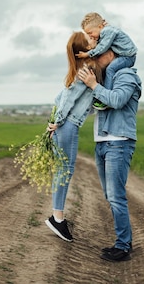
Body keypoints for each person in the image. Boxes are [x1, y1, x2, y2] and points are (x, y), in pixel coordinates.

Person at [78, 49, 142, 262]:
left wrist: (94, 85)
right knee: (110, 195)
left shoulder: (126, 75)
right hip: (102, 143)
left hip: (119, 142)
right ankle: (125, 241)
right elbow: (91, 108)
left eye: (99, 54)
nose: (95, 58)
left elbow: (117, 100)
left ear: (113, 54)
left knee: (116, 196)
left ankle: (123, 246)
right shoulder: (105, 78)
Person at [45, 31, 103, 243]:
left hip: (67, 126)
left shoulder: (83, 70)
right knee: (64, 170)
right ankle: (57, 218)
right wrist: (57, 122)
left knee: (64, 170)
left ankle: (58, 216)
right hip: (67, 126)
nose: (93, 41)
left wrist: (54, 121)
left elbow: (59, 97)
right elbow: (66, 100)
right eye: (89, 41)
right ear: (82, 49)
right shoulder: (84, 71)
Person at [77, 12, 137, 110]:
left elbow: (102, 47)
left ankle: (104, 101)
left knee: (110, 69)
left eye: (90, 33)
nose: (91, 36)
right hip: (125, 56)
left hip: (128, 57)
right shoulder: (106, 31)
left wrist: (88, 53)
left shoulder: (125, 75)